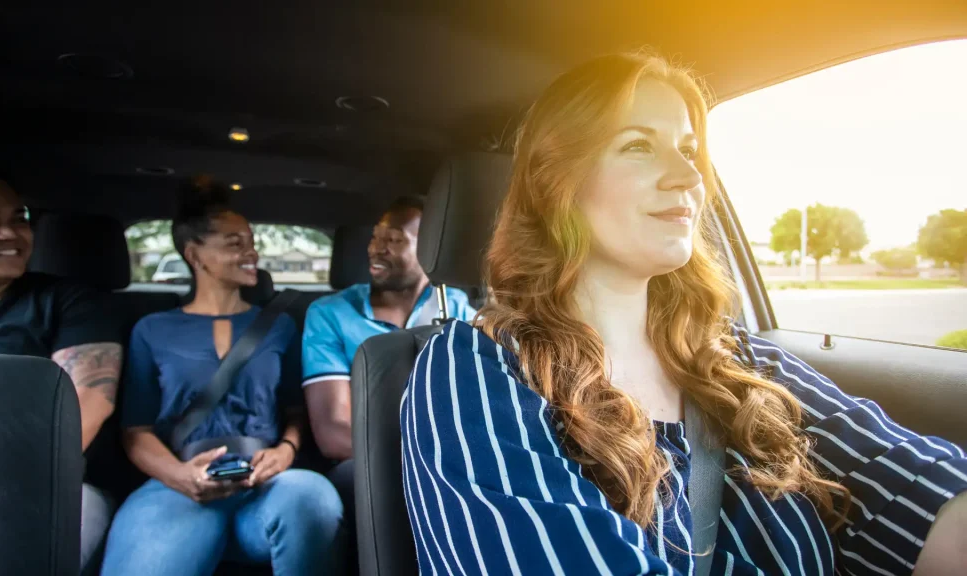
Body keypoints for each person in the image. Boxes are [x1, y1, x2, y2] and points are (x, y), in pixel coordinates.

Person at [402, 53, 967, 575]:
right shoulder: (469, 373)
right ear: (558, 184)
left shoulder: (741, 360)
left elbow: (910, 486)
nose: (690, 178)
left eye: (689, 150)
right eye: (637, 145)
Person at [101, 179, 343, 576]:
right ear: (195, 255)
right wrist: (180, 476)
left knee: (311, 496)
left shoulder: (279, 326)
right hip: (177, 484)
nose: (252, 253)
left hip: (267, 484)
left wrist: (284, 451)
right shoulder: (151, 329)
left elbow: (296, 411)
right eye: (235, 243)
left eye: (251, 241)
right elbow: (136, 430)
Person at [0, 162, 123, 574]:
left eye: (19, 219)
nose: (9, 234)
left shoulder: (69, 302)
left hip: (51, 482)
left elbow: (87, 403)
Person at [302, 196, 476, 508]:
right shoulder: (331, 314)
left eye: (394, 239)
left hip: (451, 463)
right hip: (369, 464)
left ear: (429, 251)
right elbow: (332, 433)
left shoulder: (457, 309)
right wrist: (430, 460)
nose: (375, 249)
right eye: (375, 237)